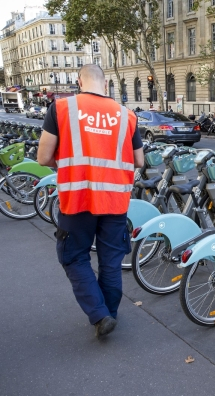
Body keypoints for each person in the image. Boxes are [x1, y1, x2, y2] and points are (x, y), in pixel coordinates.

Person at [37, 64, 144, 339]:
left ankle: (99, 315)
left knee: (73, 256)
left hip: (77, 198)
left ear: (78, 81)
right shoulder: (126, 115)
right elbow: (139, 160)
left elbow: (43, 157)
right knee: (110, 262)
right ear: (106, 84)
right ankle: (110, 313)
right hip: (115, 201)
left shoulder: (62, 108)